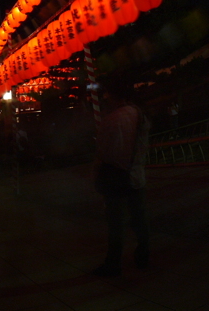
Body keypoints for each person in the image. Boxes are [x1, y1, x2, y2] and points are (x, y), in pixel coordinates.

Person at [92, 77, 150, 278]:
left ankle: (113, 263)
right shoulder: (140, 114)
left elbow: (104, 152)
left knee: (116, 223)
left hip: (115, 178)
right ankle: (144, 255)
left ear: (113, 96)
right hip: (136, 174)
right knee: (139, 218)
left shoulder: (111, 120)